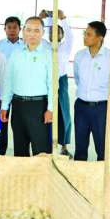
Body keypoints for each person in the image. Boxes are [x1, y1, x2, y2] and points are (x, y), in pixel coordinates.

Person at [0, 16, 53, 157]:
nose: (32, 34)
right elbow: (9, 81)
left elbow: (53, 85)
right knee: (20, 149)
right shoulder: (16, 54)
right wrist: (5, 105)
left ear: (43, 33)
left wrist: (51, 109)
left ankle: (41, 172)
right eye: (28, 30)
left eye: (36, 30)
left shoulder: (48, 55)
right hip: (18, 106)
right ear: (23, 31)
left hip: (39, 107)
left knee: (41, 150)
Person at [72, 21, 110, 161]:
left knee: (102, 147)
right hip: (81, 106)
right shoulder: (79, 56)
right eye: (85, 33)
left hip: (101, 108)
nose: (85, 37)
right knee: (80, 146)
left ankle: (102, 173)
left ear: (100, 38)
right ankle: (78, 172)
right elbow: (77, 79)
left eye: (89, 34)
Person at [41, 10, 75, 157]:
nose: (54, 34)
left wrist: (63, 18)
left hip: (61, 80)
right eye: (51, 32)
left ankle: (64, 146)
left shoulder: (65, 46)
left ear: (62, 35)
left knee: (63, 112)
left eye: (58, 32)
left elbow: (71, 35)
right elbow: (35, 32)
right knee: (46, 110)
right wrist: (42, 18)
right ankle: (47, 144)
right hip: (45, 81)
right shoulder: (44, 45)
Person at [0, 15, 24, 155]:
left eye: (15, 28)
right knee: (2, 123)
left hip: (20, 90)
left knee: (19, 124)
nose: (12, 30)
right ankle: (1, 152)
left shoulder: (25, 45)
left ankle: (20, 153)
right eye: (9, 28)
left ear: (20, 29)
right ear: (4, 29)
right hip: (3, 90)